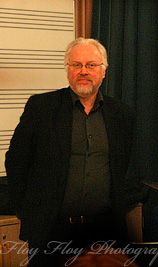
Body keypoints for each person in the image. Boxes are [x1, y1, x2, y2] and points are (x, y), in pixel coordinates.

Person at [5, 38, 141, 266]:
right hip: (50, 231)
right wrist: (26, 212)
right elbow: (16, 162)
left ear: (104, 72)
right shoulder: (41, 108)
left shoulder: (122, 114)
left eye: (91, 65)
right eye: (76, 65)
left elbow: (124, 167)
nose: (83, 71)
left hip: (104, 232)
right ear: (68, 70)